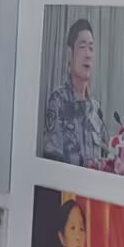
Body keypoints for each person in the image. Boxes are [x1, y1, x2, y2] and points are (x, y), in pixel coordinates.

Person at [42, 16, 106, 169]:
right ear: (70, 54)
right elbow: (51, 161)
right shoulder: (58, 101)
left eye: (91, 48)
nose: (88, 54)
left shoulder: (96, 109)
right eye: (82, 47)